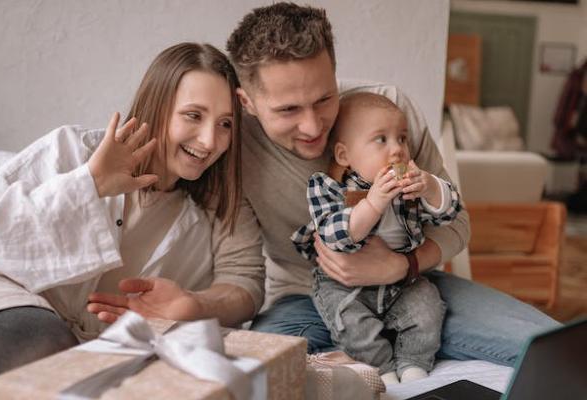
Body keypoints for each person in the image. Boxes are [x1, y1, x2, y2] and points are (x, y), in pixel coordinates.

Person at [91, 2, 559, 369]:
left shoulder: (388, 111)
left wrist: (401, 266)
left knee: (547, 349)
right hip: (300, 301)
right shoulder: (230, 144)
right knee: (248, 371)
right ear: (247, 102)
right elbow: (242, 273)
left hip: (414, 286)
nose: (314, 126)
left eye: (324, 98)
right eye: (288, 111)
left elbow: (458, 226)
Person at [0, 42, 264, 378]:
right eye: (193, 115)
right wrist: (90, 182)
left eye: (225, 124)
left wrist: (195, 305)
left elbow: (244, 283)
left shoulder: (221, 201)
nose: (209, 141)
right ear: (157, 107)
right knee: (41, 342)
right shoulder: (74, 149)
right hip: (10, 302)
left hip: (106, 346)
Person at [290, 92, 462, 383]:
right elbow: (334, 235)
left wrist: (431, 187)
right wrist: (373, 203)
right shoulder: (327, 187)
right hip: (342, 286)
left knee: (428, 306)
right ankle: (381, 370)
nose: (397, 150)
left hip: (401, 282)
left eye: (402, 139)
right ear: (345, 155)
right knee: (351, 324)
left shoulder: (411, 186)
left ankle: (413, 364)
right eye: (381, 140)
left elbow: (448, 215)